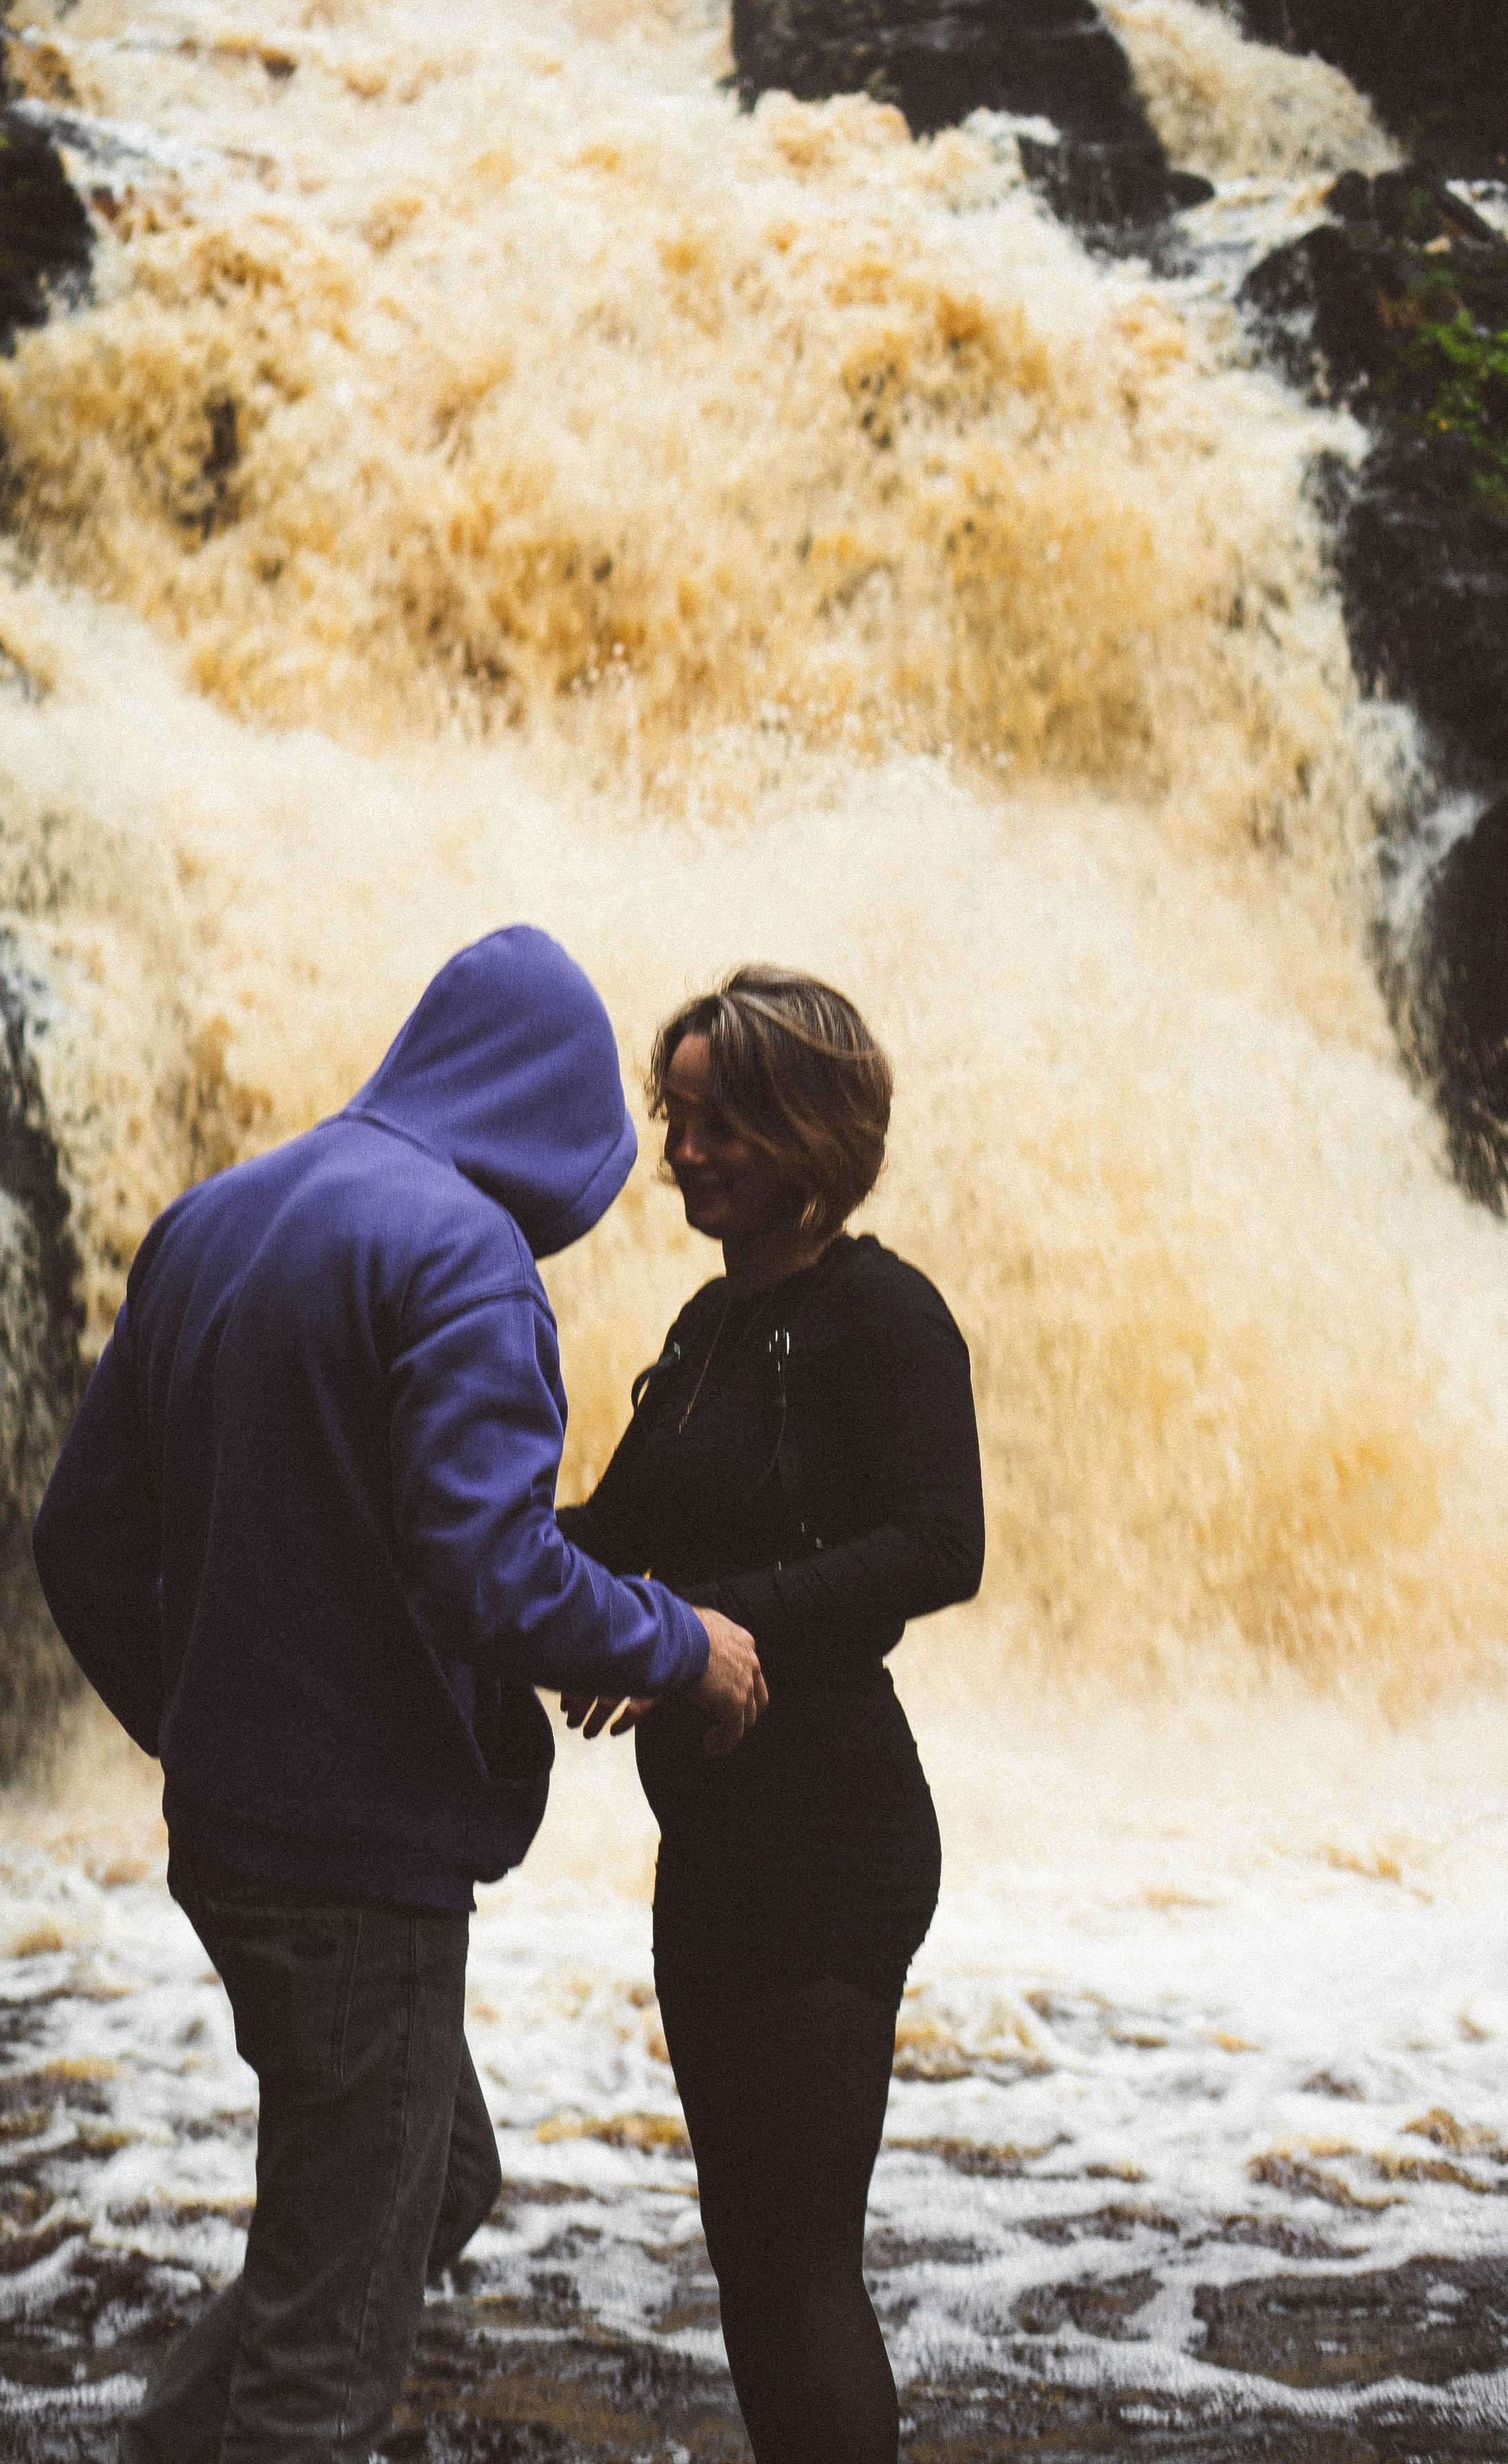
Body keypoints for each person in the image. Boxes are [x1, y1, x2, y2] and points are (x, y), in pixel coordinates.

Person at [31, 925, 767, 2464]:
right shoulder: (460, 1258)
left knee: (426, 2188)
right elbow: (487, 1575)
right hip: (356, 1868)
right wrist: (678, 1645)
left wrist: (214, 1730)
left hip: (238, 1845)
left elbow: (81, 1545)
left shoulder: (216, 1217)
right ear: (553, 1112)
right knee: (326, 2363)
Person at [558, 965, 984, 2464]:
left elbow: (945, 1543)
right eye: (678, 1120)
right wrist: (436, 1533)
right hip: (715, 1841)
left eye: (720, 1124)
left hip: (830, 1829)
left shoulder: (881, 1314)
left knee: (800, 2265)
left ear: (807, 1127)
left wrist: (722, 1626)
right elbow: (607, 1538)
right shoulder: (704, 1330)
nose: (683, 1154)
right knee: (744, 2254)